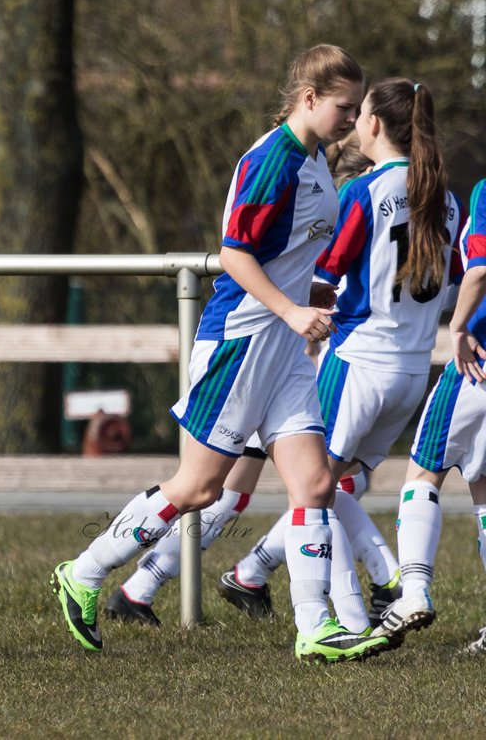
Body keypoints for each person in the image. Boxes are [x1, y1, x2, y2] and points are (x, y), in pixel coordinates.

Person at [50, 44, 392, 664]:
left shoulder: (316, 159)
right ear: (309, 98)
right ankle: (85, 571)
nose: (351, 118)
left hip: (285, 347)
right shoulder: (272, 162)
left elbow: (284, 258)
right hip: (240, 341)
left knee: (314, 483)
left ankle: (314, 629)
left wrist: (308, 296)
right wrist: (289, 308)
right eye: (343, 106)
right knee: (199, 489)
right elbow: (234, 253)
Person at [220, 79, 462, 632]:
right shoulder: (444, 198)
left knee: (315, 487)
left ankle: (355, 610)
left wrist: (300, 331)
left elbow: (321, 278)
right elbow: (452, 284)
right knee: (334, 483)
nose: (352, 121)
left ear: (373, 125)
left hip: (359, 359)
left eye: (360, 112)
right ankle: (256, 573)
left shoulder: (364, 192)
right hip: (411, 371)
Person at [378, 172, 486, 644]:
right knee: (484, 490)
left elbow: (480, 268)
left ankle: (415, 591)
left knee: (423, 476)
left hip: (478, 365)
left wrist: (459, 326)